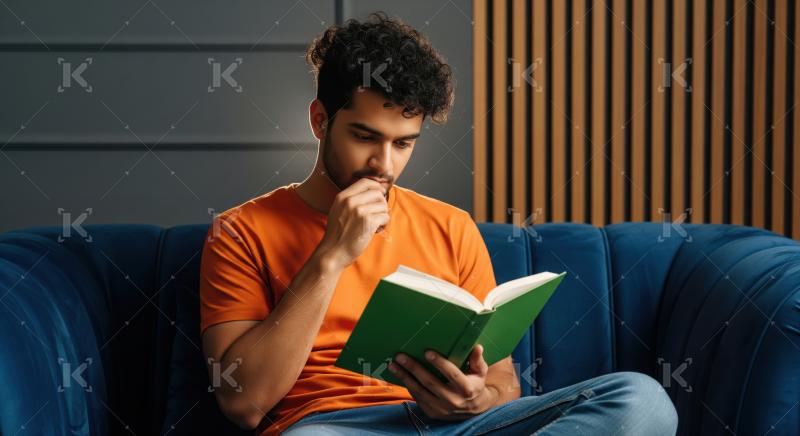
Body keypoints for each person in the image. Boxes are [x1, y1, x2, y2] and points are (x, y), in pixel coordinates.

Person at [199, 12, 678, 435]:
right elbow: (243, 403)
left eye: (403, 143)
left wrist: (477, 399)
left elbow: (502, 381)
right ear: (320, 121)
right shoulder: (239, 232)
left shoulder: (450, 225)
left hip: (458, 427)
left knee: (640, 399)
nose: (383, 165)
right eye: (365, 137)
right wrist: (330, 257)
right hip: (334, 425)